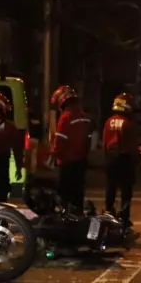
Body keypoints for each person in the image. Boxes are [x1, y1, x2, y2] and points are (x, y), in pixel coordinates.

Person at [49, 85, 95, 213]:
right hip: (81, 161)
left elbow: (60, 141)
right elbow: (88, 140)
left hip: (67, 162)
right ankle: (78, 218)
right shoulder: (85, 117)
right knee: (78, 193)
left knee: (64, 195)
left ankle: (66, 220)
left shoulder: (65, 117)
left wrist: (53, 155)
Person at [102, 92, 139, 225]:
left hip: (111, 158)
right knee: (126, 190)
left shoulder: (109, 121)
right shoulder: (129, 123)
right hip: (125, 158)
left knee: (111, 187)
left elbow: (105, 142)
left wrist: (105, 158)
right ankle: (124, 216)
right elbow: (131, 144)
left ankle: (108, 212)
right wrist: (135, 160)